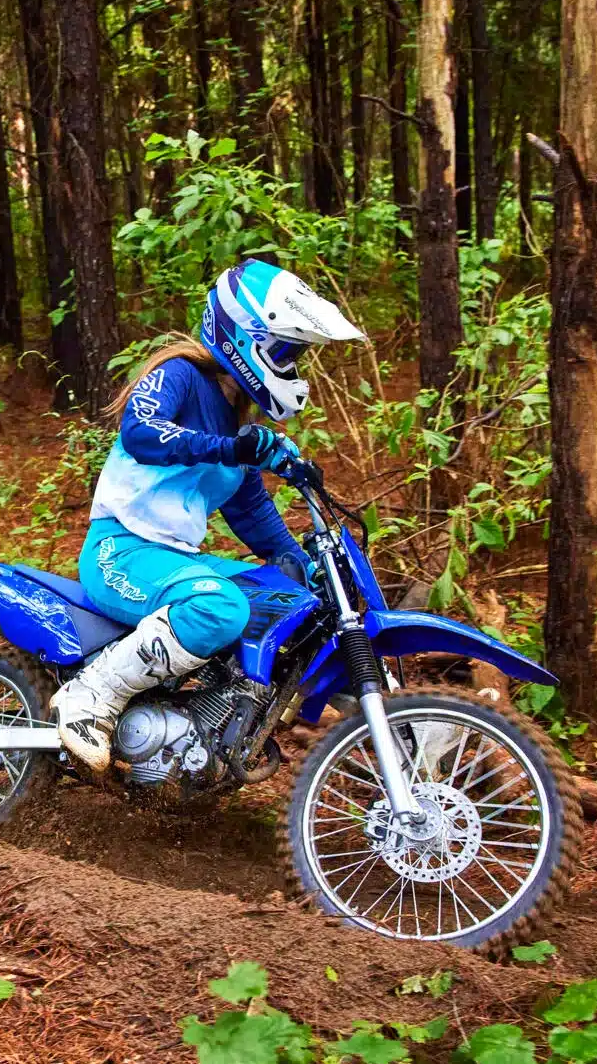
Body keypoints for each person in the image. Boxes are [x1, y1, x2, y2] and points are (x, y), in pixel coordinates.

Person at [52, 259, 367, 771]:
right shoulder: (178, 376)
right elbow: (141, 432)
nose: (290, 366)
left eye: (296, 355)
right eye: (284, 351)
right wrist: (231, 448)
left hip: (174, 559)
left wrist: (301, 562)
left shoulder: (235, 422)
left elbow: (251, 511)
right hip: (121, 550)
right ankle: (91, 698)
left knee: (293, 599)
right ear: (244, 336)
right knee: (220, 609)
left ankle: (222, 720)